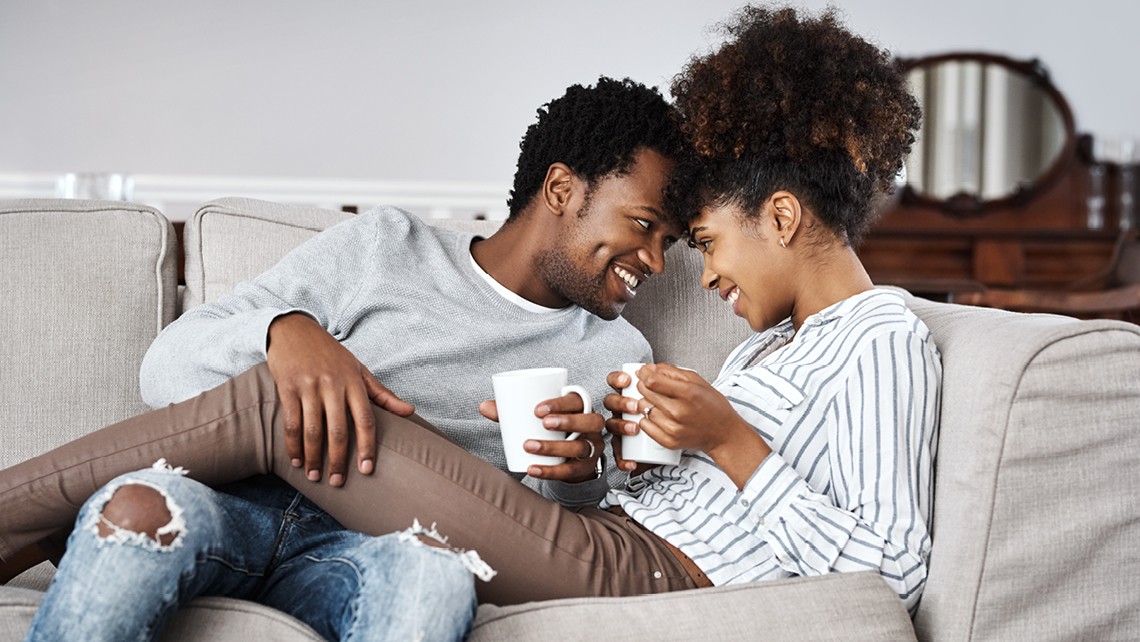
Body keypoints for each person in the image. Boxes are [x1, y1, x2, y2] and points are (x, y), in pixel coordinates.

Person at [3, 2, 939, 630]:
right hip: (613, 542)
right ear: (563, 190)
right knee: (283, 394)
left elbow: (890, 574)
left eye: (698, 242)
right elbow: (695, 501)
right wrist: (614, 456)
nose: (685, 274)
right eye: (662, 232)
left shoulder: (883, 334)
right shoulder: (773, 352)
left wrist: (720, 443)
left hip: (635, 570)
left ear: (780, 216)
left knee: (279, 410)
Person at [0, 76, 687, 641]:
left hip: (374, 550)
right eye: (644, 226)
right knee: (135, 509)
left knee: (434, 578)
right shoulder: (386, 248)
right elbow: (166, 373)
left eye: (671, 243)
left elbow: (544, 548)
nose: (654, 261)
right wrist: (284, 331)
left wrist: (572, 478)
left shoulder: (619, 355)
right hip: (229, 507)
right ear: (562, 190)